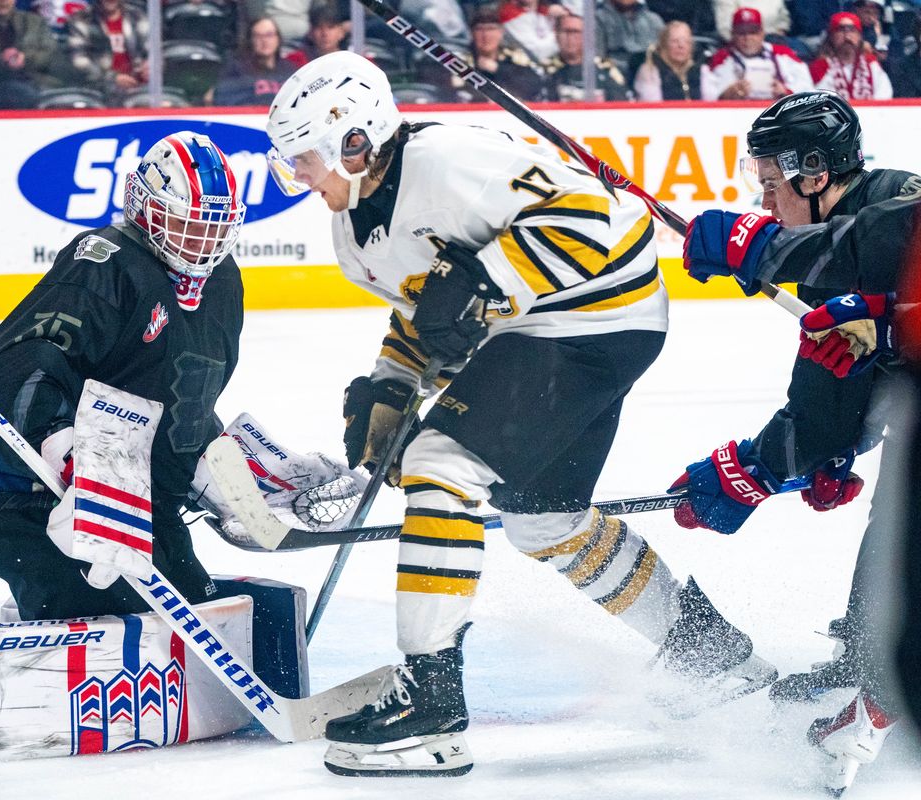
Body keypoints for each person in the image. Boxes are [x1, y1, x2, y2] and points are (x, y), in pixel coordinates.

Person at [265, 50, 777, 778]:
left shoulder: (446, 158)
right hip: (540, 330)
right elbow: (432, 317)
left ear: (357, 139)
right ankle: (716, 658)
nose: (299, 177)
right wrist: (391, 383)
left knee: (440, 465)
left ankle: (431, 705)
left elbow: (597, 217)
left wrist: (482, 280)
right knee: (545, 520)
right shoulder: (353, 241)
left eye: (306, 157)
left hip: (602, 314)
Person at [675, 91, 921, 795]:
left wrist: (769, 248)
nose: (764, 197)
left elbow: (889, 240)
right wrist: (798, 457)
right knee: (899, 515)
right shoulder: (843, 247)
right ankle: (871, 665)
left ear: (815, 173)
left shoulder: (895, 205)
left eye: (772, 186)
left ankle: (873, 711)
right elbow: (838, 405)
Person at [0, 131, 246, 621]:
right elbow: (8, 374)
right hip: (37, 503)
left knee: (202, 623)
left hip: (143, 510)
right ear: (147, 209)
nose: (205, 242)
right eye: (187, 224)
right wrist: (71, 459)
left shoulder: (222, 281)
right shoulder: (104, 264)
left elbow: (184, 398)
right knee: (115, 630)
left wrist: (233, 473)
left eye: (215, 227)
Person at [431, 5, 545, 102]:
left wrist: (498, 69)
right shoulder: (459, 58)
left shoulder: (515, 56)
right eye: (480, 29)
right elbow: (444, 90)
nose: (486, 35)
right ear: (472, 33)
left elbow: (533, 86)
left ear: (501, 32)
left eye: (491, 29)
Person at [0, 0, 61, 109]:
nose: (3, 1)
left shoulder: (36, 22)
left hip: (35, 85)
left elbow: (51, 54)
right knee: (14, 94)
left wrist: (26, 59)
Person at [701, 6, 813, 101]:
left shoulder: (783, 54)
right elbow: (707, 97)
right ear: (732, 34)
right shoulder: (720, 59)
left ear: (762, 33)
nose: (747, 38)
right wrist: (725, 96)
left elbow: (808, 90)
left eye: (753, 32)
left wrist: (786, 92)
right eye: (741, 33)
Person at [65, 0, 149, 104]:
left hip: (138, 88)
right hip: (99, 91)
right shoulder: (81, 19)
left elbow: (153, 50)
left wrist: (150, 66)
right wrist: (112, 79)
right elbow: (79, 60)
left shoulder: (138, 16)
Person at [542, 12, 633, 101]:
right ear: (556, 34)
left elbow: (622, 102)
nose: (570, 37)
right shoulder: (544, 69)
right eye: (565, 31)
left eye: (575, 32)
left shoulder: (605, 68)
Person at [211, 16, 298, 106]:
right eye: (258, 36)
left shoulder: (290, 70)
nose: (265, 41)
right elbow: (225, 99)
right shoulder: (235, 69)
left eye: (269, 35)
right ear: (250, 40)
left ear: (278, 38)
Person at [808, 11, 893, 100]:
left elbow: (884, 95)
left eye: (852, 30)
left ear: (860, 36)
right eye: (841, 30)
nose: (847, 36)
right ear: (831, 36)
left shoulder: (871, 64)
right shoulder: (820, 67)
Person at [633, 19, 703, 100]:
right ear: (664, 44)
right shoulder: (650, 71)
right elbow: (652, 107)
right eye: (675, 41)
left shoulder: (701, 71)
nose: (681, 45)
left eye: (686, 41)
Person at [595, 0, 666, 81]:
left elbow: (667, 60)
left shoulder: (654, 21)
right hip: (614, 83)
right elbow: (598, 61)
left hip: (654, 81)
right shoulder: (597, 20)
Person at [713, 0, 790, 40]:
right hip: (745, 45)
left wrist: (781, 31)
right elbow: (726, 29)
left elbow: (783, 19)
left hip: (776, 40)